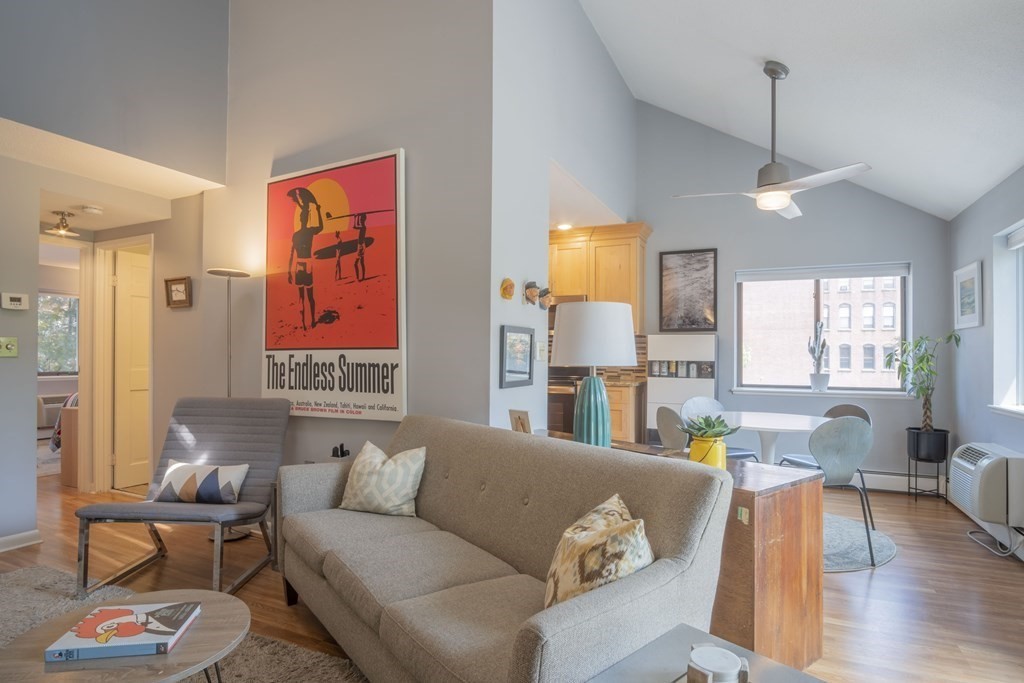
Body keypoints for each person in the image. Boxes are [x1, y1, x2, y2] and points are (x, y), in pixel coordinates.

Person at [286, 187, 324, 329]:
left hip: (298, 266)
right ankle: (313, 320)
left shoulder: (296, 235)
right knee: (310, 297)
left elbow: (291, 255)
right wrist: (318, 211)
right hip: (307, 265)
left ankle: (303, 323)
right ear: (306, 218)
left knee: (301, 297)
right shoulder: (309, 232)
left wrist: (289, 272)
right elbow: (321, 226)